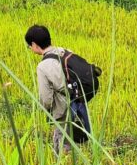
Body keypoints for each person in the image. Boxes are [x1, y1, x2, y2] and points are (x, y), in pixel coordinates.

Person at [24, 25, 90, 154]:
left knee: (62, 146)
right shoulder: (65, 51)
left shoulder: (43, 66)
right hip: (80, 104)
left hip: (64, 109)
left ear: (34, 44)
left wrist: (45, 110)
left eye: (29, 46)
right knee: (77, 138)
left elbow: (46, 99)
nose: (30, 48)